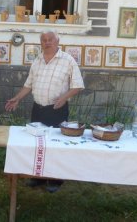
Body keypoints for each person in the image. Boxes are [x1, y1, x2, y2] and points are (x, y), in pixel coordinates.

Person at [5, 30, 84, 193]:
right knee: (36, 144)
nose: (47, 42)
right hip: (38, 109)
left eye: (50, 39)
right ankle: (37, 177)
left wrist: (64, 98)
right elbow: (29, 84)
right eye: (44, 40)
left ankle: (55, 180)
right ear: (41, 43)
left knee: (56, 145)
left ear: (57, 41)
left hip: (57, 109)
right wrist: (17, 98)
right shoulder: (37, 60)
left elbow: (78, 85)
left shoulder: (68, 61)